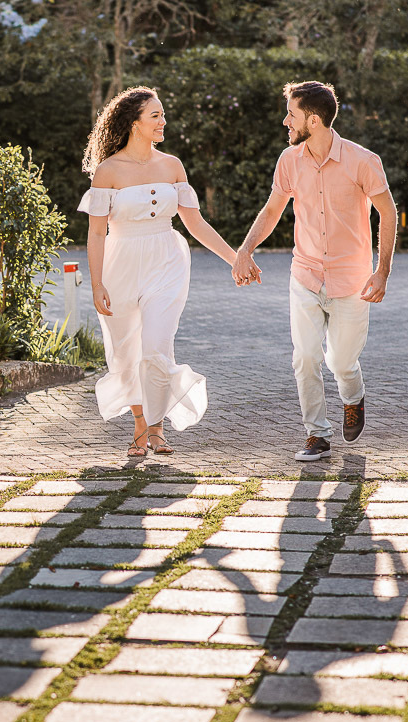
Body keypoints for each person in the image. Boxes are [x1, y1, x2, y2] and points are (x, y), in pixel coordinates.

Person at [233, 80, 397, 462]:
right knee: (305, 357)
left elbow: (387, 212)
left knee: (340, 361)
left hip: (351, 279)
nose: (285, 122)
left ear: (314, 120)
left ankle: (353, 397)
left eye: (291, 115)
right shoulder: (289, 160)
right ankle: (316, 434)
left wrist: (382, 271)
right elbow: (273, 209)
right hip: (305, 274)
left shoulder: (362, 160)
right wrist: (244, 250)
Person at [80, 86, 241, 458]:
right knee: (125, 352)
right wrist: (97, 283)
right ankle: (140, 424)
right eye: (156, 116)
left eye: (162, 115)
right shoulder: (107, 172)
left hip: (166, 260)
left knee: (156, 345)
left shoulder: (172, 165)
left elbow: (195, 224)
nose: (163, 121)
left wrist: (235, 258)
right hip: (120, 263)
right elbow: (96, 232)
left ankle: (158, 426)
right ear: (134, 123)